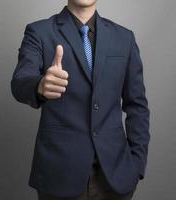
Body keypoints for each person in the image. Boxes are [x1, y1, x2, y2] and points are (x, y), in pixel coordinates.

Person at [10, 0, 150, 199]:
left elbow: (137, 106)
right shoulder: (39, 32)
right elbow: (19, 82)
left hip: (117, 177)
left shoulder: (124, 38)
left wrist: (137, 164)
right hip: (59, 177)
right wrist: (40, 85)